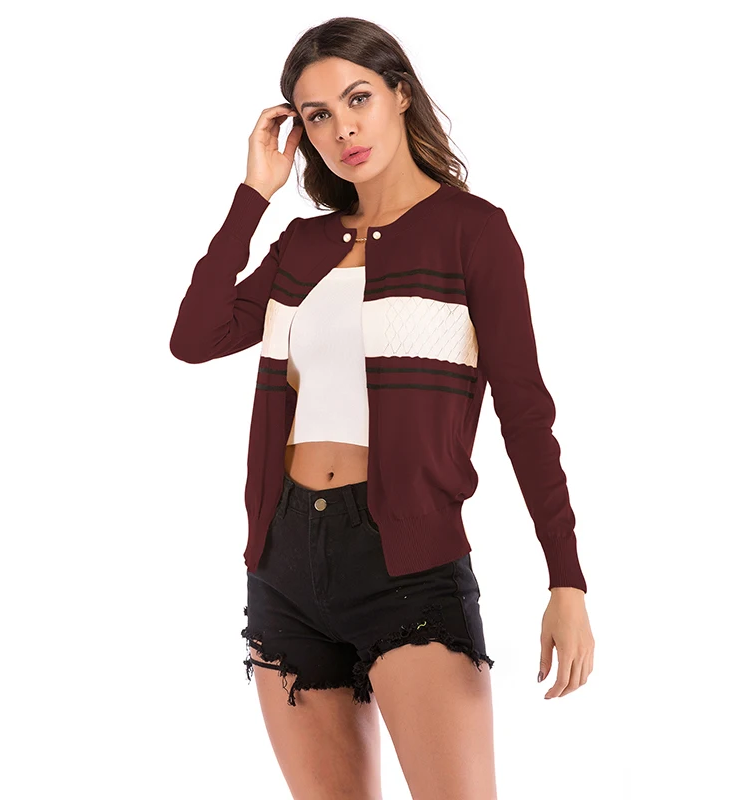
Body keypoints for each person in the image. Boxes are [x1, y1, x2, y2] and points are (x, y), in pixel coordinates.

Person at [170, 16, 594, 800]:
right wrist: (253, 196)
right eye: (317, 115)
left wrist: (565, 579)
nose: (342, 128)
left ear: (400, 94)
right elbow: (193, 338)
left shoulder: (472, 232)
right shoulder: (301, 245)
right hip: (284, 564)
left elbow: (526, 414)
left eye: (357, 98)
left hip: (408, 565)